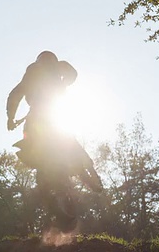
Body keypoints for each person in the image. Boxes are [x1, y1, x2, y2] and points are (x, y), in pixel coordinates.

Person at [6, 50, 102, 192]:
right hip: (48, 111)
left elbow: (16, 94)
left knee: (63, 135)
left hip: (49, 111)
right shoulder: (45, 69)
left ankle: (79, 164)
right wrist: (11, 117)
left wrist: (11, 117)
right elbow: (72, 73)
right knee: (48, 134)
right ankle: (47, 163)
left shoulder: (37, 71)